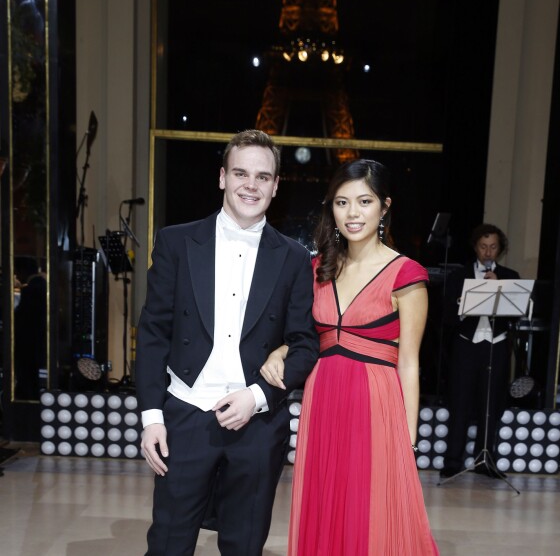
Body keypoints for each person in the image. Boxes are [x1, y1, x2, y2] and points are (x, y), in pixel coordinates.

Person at [136, 129, 319, 555]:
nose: (250, 185)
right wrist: (151, 418)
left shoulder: (294, 258)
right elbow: (152, 334)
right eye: (240, 173)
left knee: (244, 546)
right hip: (183, 415)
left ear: (275, 185)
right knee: (168, 543)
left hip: (257, 423)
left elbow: (305, 343)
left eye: (262, 176)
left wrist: (257, 396)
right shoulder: (176, 242)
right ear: (222, 177)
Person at [261, 159, 439, 555]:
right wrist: (281, 349)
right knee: (326, 502)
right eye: (342, 203)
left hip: (376, 406)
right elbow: (306, 336)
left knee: (371, 511)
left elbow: (409, 362)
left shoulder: (406, 274)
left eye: (364, 201)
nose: (352, 213)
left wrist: (407, 440)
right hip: (322, 400)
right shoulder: (317, 268)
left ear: (384, 207)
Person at [440, 223, 520, 478]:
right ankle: (453, 459)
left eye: (493, 247)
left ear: (500, 249)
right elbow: (446, 317)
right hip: (466, 344)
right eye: (483, 246)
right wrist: (465, 304)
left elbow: (516, 315)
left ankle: (485, 459)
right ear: (475, 247)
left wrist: (499, 288)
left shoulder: (510, 276)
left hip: (496, 345)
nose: (488, 252)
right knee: (460, 400)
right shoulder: (458, 276)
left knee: (491, 403)